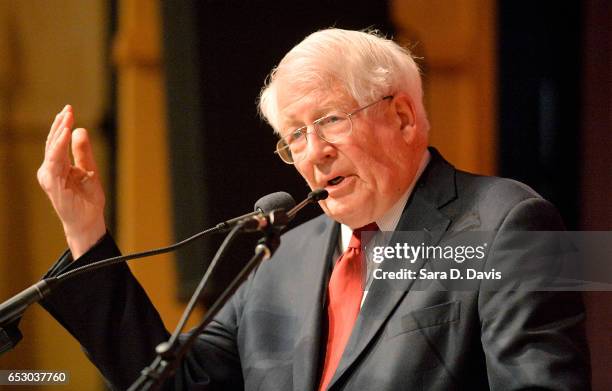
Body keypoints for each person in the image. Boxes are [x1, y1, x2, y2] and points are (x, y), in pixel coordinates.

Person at [36, 29, 590, 390]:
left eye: (329, 120)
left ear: (401, 116)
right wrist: (86, 233)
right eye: (294, 135)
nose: (313, 152)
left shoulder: (508, 222)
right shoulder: (283, 259)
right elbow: (172, 384)